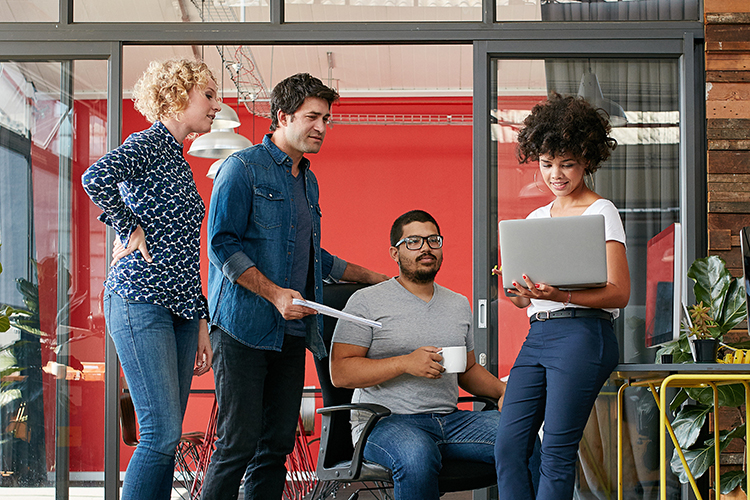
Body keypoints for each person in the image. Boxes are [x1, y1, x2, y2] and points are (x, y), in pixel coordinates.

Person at [201, 73, 389, 500]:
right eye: (312, 117)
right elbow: (221, 245)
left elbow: (311, 255)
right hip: (241, 331)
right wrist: (275, 294)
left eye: (326, 118)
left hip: (290, 335)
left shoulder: (308, 180)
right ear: (282, 116)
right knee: (238, 444)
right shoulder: (241, 168)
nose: (322, 127)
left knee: (277, 447)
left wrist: (378, 278)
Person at [330, 209, 540, 500]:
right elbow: (341, 372)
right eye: (414, 241)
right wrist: (405, 363)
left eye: (433, 240)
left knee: (523, 437)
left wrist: (505, 391)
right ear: (395, 252)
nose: (426, 247)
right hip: (385, 423)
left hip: (450, 420)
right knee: (417, 454)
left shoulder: (457, 303)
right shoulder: (366, 301)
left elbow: (466, 369)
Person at [81, 59, 217, 500]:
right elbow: (95, 176)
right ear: (178, 98)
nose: (218, 105)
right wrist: (127, 226)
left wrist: (200, 320)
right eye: (209, 95)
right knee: (159, 432)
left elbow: (184, 253)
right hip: (140, 299)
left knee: (168, 437)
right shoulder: (149, 143)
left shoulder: (178, 159)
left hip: (179, 308)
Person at [494, 93, 631, 500]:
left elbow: (619, 292)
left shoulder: (601, 211)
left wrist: (563, 295)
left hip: (584, 336)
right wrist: (523, 294)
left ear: (587, 160)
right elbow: (535, 302)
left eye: (567, 163)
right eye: (547, 163)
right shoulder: (536, 218)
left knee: (555, 451)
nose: (556, 174)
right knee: (508, 446)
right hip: (539, 335)